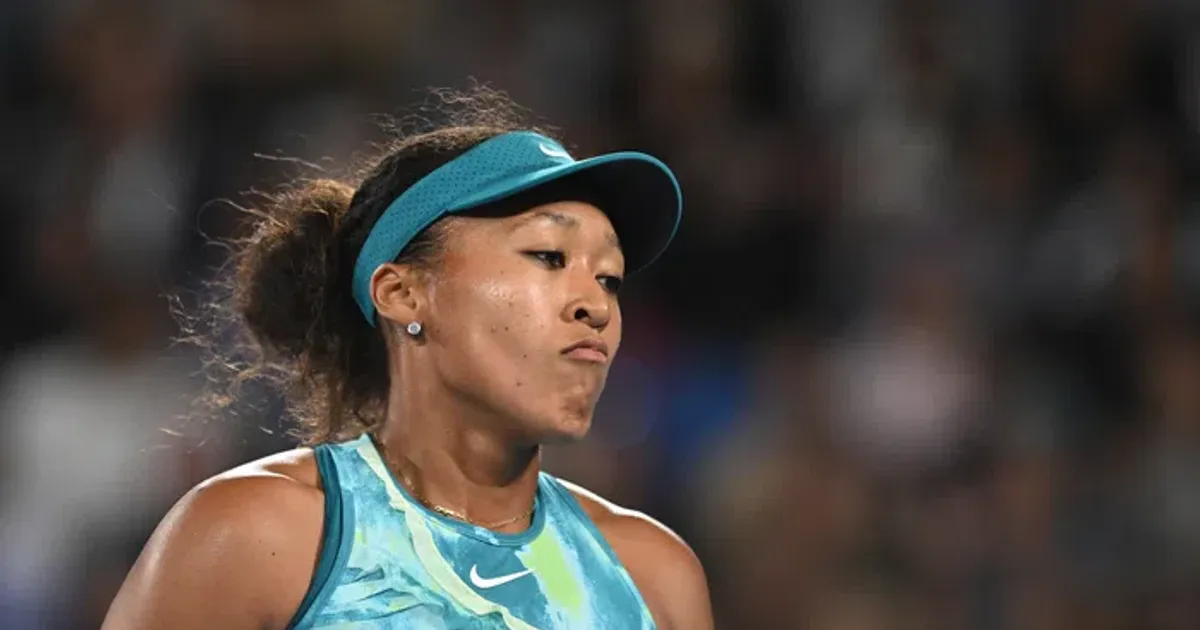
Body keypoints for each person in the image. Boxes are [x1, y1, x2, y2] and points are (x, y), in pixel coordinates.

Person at [101, 91, 713, 630]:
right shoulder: (256, 534)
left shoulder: (655, 577)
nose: (596, 306)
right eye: (549, 257)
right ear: (402, 293)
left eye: (610, 279)